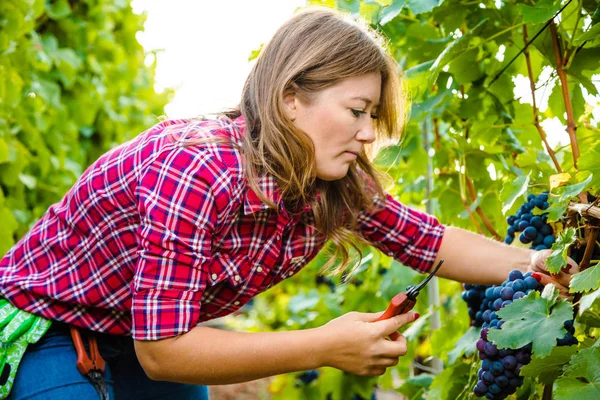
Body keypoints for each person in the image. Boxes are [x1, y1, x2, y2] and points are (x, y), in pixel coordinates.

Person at [0, 7, 578, 400]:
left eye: (374, 116)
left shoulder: (333, 181)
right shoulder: (196, 169)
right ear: (290, 99)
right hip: (60, 334)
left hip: (153, 337)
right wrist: (325, 345)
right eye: (357, 111)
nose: (369, 132)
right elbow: (165, 352)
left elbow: (430, 242)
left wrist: (549, 268)